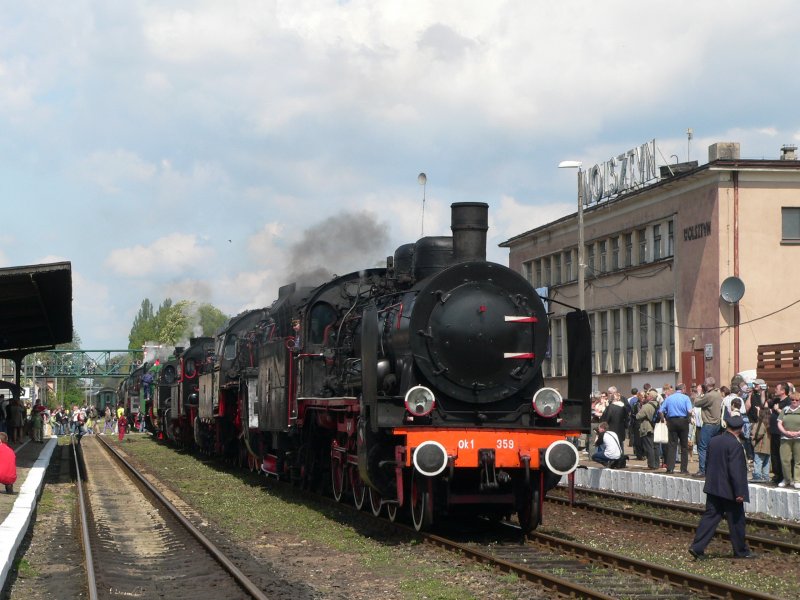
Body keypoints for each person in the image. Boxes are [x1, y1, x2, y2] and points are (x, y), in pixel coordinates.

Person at [688, 415, 755, 560]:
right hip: (729, 490)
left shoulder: (714, 440)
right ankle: (741, 551)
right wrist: (739, 492)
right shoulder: (735, 445)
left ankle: (697, 547)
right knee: (737, 521)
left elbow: (707, 463)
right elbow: (736, 471)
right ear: (740, 429)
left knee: (710, 518)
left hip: (713, 487)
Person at [659, 383, 693, 474]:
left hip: (672, 421)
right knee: (684, 446)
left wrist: (663, 420)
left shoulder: (669, 398)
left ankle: (670, 468)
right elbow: (689, 411)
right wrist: (689, 418)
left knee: (672, 445)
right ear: (683, 389)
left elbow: (661, 411)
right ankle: (683, 469)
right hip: (683, 421)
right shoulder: (686, 398)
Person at [693, 376, 723, 477]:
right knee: (714, 447)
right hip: (717, 424)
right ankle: (714, 468)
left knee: (702, 447)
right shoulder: (718, 394)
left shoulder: (709, 396)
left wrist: (698, 393)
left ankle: (702, 470)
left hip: (709, 424)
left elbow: (696, 403)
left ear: (707, 384)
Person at [776, 391, 800, 488]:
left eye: (797, 400)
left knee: (798, 460)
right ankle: (787, 479)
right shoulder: (785, 409)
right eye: (792, 399)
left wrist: (798, 433)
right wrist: (785, 432)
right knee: (785, 460)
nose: (794, 401)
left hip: (798, 438)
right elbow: (779, 423)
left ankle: (797, 480)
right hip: (785, 438)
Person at [769, 383, 791, 484]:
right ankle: (777, 475)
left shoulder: (788, 401)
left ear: (783, 391)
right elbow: (764, 404)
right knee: (774, 455)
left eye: (777, 388)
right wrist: (763, 392)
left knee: (782, 454)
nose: (775, 390)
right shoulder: (776, 400)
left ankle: (784, 476)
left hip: (781, 432)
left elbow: (788, 416)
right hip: (773, 431)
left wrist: (777, 410)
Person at [636, 390, 660, 469]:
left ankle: (651, 464)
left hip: (648, 428)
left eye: (648, 395)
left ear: (651, 397)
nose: (646, 396)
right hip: (656, 428)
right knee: (656, 447)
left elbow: (638, 416)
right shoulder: (658, 405)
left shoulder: (646, 406)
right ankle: (657, 464)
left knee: (649, 447)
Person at [751, 406, 771, 482]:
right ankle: (766, 476)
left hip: (760, 446)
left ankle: (757, 476)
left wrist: (753, 438)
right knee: (766, 462)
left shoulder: (762, 423)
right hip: (768, 447)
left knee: (758, 462)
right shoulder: (770, 423)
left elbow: (759, 434)